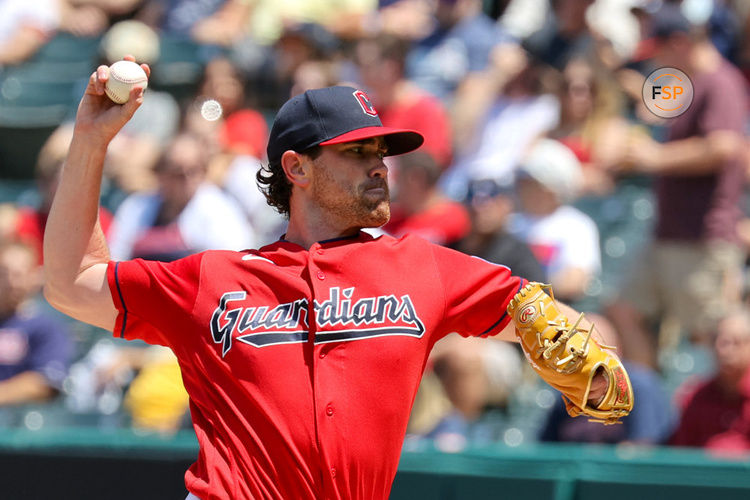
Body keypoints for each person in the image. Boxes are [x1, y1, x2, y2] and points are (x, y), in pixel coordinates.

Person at [43, 62, 619, 499]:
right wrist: (92, 140)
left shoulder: (423, 267)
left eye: (382, 151)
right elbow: (72, 281)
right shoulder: (213, 278)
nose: (379, 165)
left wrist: (584, 356)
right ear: (296, 168)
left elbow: (528, 305)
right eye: (356, 151)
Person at [607, 7, 749, 369]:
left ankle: (700, 419)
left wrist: (656, 157)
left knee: (710, 342)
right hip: (666, 235)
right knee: (622, 311)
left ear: (681, 43)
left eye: (660, 50)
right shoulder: (689, 81)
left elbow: (724, 146)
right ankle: (653, 406)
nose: (656, 59)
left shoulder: (721, 81)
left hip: (702, 239)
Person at [0, 241, 72, 408]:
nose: (11, 282)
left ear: (33, 276)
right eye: (3, 274)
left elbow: (46, 382)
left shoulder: (46, 327)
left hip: (20, 426)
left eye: (18, 274)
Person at [670, 308, 750, 454]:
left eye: (735, 343)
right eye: (719, 342)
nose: (723, 350)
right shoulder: (696, 396)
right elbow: (681, 451)